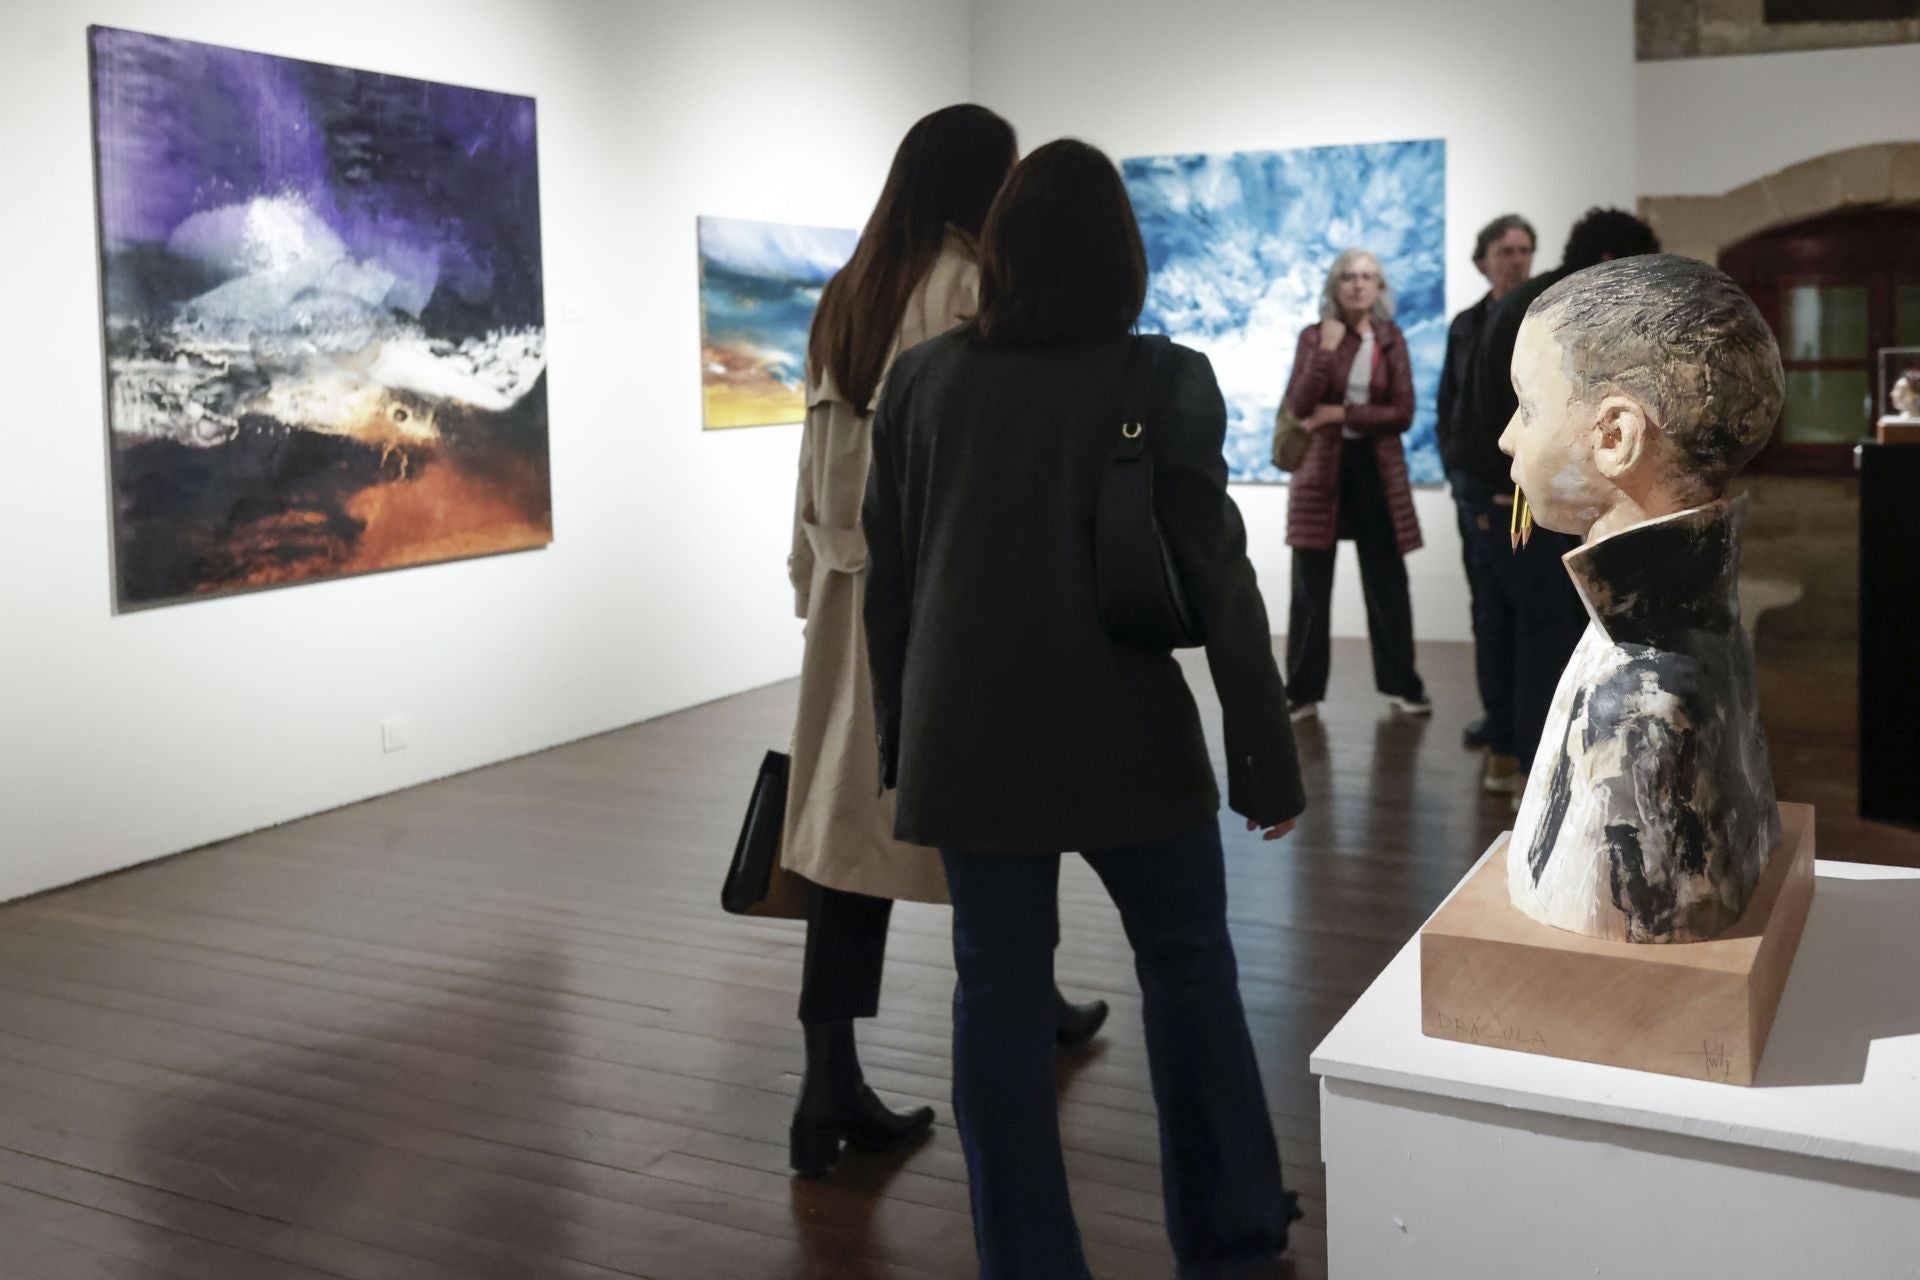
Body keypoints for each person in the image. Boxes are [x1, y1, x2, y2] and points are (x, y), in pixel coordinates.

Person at [863, 138, 1307, 1280]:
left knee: (998, 1006)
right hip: (1125, 735)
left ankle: (1028, 1258)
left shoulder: (919, 381)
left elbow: (892, 585)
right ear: (1123, 254)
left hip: (969, 745)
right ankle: (1232, 1229)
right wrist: (1265, 760)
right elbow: (1222, 585)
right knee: (1193, 974)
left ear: (1001, 249)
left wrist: (902, 750)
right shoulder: (1161, 378)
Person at [782, 105, 1107, 1181]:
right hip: (938, 598)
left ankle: (826, 1076)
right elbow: (986, 463)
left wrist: (806, 577)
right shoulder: (968, 289)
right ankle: (1030, 1001)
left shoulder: (851, 292)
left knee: (847, 846)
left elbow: (815, 461)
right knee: (1003, 805)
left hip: (848, 598)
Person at [1452, 207, 1662, 804]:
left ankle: (1504, 752)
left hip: (1494, 493)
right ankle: (1531, 771)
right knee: (1545, 630)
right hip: (1521, 497)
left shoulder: (1533, 299)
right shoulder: (1564, 311)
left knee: (1501, 622)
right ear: (1610, 263)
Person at [1280, 249, 1429, 723]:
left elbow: (1402, 412)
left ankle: (1403, 684)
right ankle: (1300, 692)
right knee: (1309, 587)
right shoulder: (1313, 336)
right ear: (1334, 285)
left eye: (1368, 277)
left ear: (1379, 286)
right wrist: (1325, 350)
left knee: (1387, 582)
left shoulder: (1391, 338)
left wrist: (1342, 413)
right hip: (1321, 469)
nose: (1358, 285)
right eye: (1349, 277)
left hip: (1376, 469)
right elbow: (1299, 404)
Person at [1437, 214, 1535, 766]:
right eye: (1506, 250)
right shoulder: (1465, 325)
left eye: (1524, 249)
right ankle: (1497, 715)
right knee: (1486, 609)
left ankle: (1521, 725)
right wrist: (1456, 474)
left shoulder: (1537, 319)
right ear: (1483, 260)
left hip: (1519, 492)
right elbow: (1448, 404)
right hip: (1473, 491)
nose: (1516, 259)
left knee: (1525, 612)